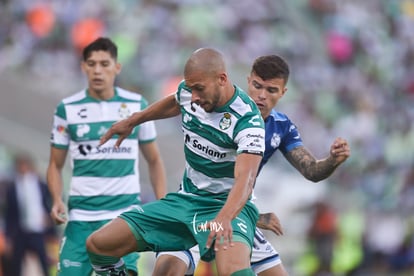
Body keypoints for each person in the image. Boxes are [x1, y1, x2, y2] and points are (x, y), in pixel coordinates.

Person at [153, 55, 351, 275]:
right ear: (248, 81)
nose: (261, 96)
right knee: (168, 270)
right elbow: (179, 99)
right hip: (197, 206)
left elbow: (311, 170)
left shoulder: (280, 127)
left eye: (271, 90)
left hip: (237, 215)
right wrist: (135, 119)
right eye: (257, 86)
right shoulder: (220, 106)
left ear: (283, 92)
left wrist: (332, 160)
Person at [86, 47, 266, 276]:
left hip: (226, 207)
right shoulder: (190, 94)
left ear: (222, 79)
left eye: (199, 89)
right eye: (190, 89)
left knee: (234, 272)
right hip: (186, 201)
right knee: (99, 245)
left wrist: (224, 217)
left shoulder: (248, 121)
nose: (194, 98)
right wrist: (134, 120)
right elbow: (175, 102)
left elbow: (246, 178)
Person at [46, 37, 167, 276]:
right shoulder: (67, 109)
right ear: (83, 67)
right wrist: (56, 199)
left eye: (104, 63)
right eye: (91, 64)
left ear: (117, 67)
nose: (97, 70)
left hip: (123, 218)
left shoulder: (137, 105)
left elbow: (154, 160)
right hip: (80, 219)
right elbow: (54, 165)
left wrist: (163, 207)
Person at [3, 153, 54, 276]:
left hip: (39, 230)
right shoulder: (12, 187)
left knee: (46, 262)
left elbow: (53, 200)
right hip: (19, 231)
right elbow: (9, 213)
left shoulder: (41, 184)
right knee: (15, 264)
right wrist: (8, 236)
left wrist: (50, 217)